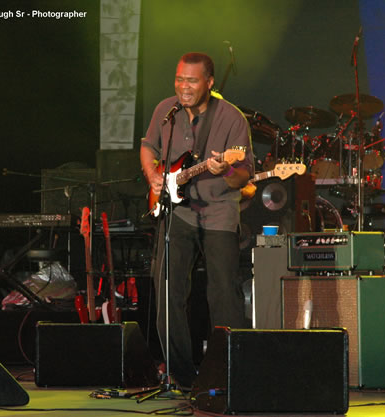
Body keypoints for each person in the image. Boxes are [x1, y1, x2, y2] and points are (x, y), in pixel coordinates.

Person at [140, 52, 254, 388]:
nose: (184, 87)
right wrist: (153, 176)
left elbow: (243, 176)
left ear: (209, 82)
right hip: (177, 212)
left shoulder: (231, 118)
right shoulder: (166, 111)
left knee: (223, 293)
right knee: (168, 291)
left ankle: (231, 372)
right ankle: (181, 374)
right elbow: (148, 147)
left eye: (191, 80)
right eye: (179, 79)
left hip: (219, 210)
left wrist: (226, 168)